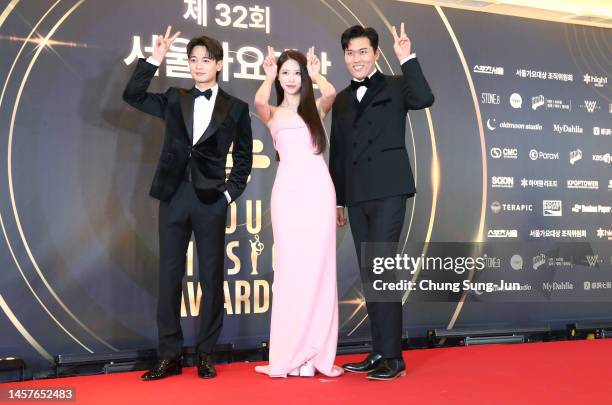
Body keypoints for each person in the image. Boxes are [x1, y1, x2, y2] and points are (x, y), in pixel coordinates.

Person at [122, 26, 253, 380]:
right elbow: (132, 95)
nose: (198, 66)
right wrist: (154, 60)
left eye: (205, 60)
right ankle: (169, 355)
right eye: (193, 60)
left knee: (212, 278)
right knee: (170, 277)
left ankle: (206, 354)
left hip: (212, 200)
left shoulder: (237, 108)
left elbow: (243, 159)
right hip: (174, 196)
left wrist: (229, 193)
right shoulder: (173, 98)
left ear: (219, 64)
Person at [329, 24, 434, 381]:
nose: (356, 59)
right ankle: (379, 351)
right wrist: (338, 201)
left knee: (382, 270)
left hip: (389, 189)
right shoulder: (342, 99)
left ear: (375, 53)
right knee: (369, 271)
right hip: (357, 195)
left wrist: (408, 59)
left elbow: (424, 98)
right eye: (349, 53)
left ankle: (393, 358)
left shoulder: (395, 83)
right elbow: (339, 152)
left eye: (362, 52)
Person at [252, 46, 343, 378]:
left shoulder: (317, 108)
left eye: (296, 72)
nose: (291, 78)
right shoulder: (272, 113)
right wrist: (268, 74)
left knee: (319, 271)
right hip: (287, 196)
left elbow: (331, 92)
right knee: (290, 272)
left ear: (304, 77)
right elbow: (259, 102)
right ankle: (290, 355)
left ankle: (317, 354)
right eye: (285, 72)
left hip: (319, 192)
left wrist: (317, 74)